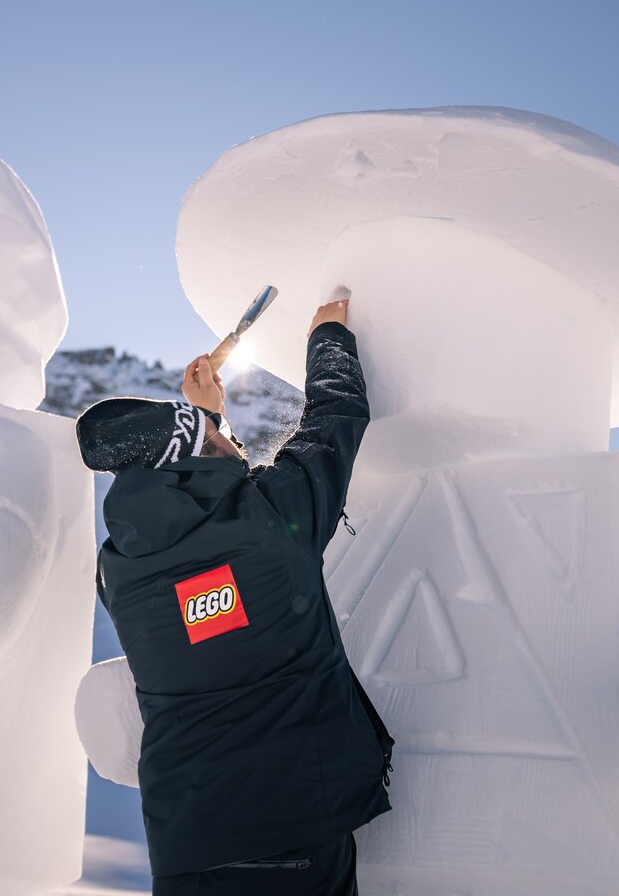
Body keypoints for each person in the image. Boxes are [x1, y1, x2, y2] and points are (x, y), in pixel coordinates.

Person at [74, 296, 394, 896]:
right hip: (292, 829)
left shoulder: (120, 571)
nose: (232, 446)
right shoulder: (270, 518)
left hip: (186, 846)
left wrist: (205, 425)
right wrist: (328, 334)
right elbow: (336, 417)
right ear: (197, 458)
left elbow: (204, 539)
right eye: (218, 441)